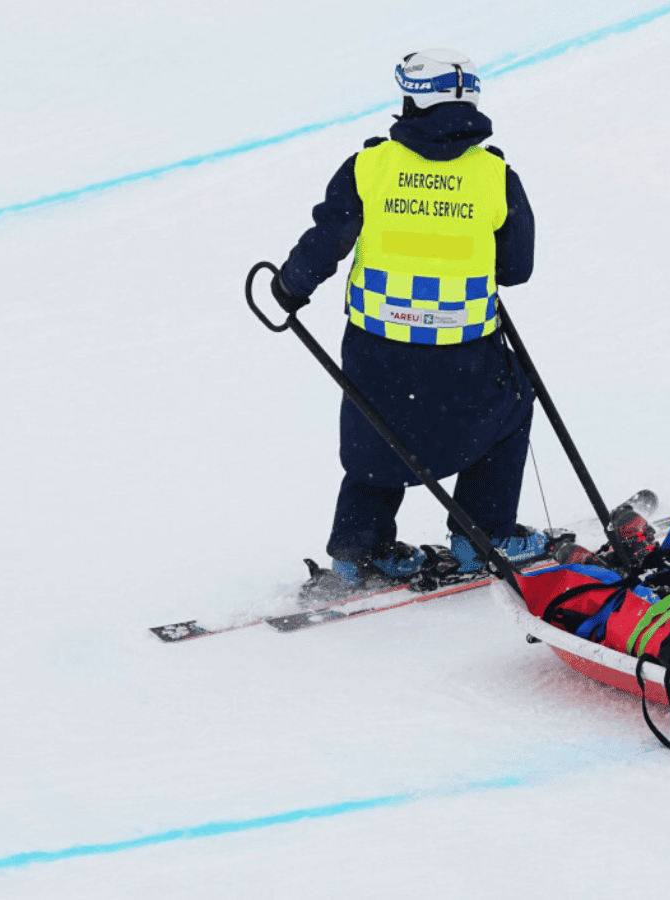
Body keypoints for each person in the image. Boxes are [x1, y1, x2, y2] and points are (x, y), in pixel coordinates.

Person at [268, 48, 545, 596]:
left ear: (412, 100)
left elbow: (328, 239)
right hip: (464, 351)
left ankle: (359, 552)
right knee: (511, 404)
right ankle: (481, 538)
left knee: (377, 429)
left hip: (378, 346)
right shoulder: (495, 176)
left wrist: (289, 287)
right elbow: (516, 270)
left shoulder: (368, 167)